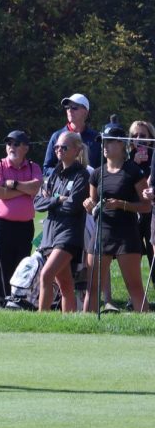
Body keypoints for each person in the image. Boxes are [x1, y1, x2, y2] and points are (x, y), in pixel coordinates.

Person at [83, 124, 151, 313]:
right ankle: (85, 330)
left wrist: (122, 204)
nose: (105, 146)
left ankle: (146, 328)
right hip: (100, 234)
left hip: (126, 235)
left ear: (122, 144)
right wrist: (88, 204)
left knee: (135, 287)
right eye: (103, 142)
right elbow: (93, 205)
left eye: (110, 141)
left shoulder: (134, 171)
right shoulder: (97, 173)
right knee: (92, 288)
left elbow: (146, 207)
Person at [34, 132, 90, 314]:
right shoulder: (54, 175)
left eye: (64, 147)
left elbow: (73, 206)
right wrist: (57, 200)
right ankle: (69, 322)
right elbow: (37, 203)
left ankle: (41, 320)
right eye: (56, 147)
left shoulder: (81, 175)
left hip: (68, 235)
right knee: (65, 285)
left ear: (76, 150)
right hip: (50, 233)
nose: (58, 150)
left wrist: (51, 201)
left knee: (46, 275)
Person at [0, 130, 42, 306]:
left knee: (22, 264)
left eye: (16, 144)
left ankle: (18, 301)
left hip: (25, 226)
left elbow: (36, 188)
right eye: (9, 143)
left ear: (25, 148)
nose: (11, 147)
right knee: (1, 263)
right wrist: (23, 190)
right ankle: (0, 302)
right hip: (0, 225)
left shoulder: (34, 167)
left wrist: (13, 185)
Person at [43, 93, 101, 174]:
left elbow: (101, 168)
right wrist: (64, 174)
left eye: (74, 107)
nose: (70, 110)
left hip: (89, 185)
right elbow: (46, 169)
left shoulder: (96, 138)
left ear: (85, 112)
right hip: (63, 185)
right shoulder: (57, 136)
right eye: (67, 107)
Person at [128, 120, 155, 264]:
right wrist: (134, 164)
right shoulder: (126, 158)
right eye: (135, 135)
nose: (139, 139)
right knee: (133, 253)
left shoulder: (154, 157)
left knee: (153, 250)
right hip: (134, 211)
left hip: (152, 211)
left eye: (143, 136)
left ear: (150, 138)